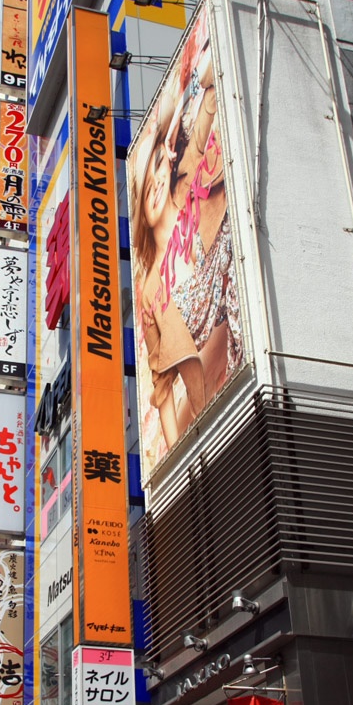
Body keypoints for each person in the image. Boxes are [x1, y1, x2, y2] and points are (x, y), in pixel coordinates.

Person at [131, 43, 242, 451]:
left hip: (257, 343)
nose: (157, 182)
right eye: (146, 184)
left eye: (160, 166)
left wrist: (200, 83)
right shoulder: (148, 292)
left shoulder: (189, 188)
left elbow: (207, 114)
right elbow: (161, 389)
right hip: (218, 398)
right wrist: (180, 469)